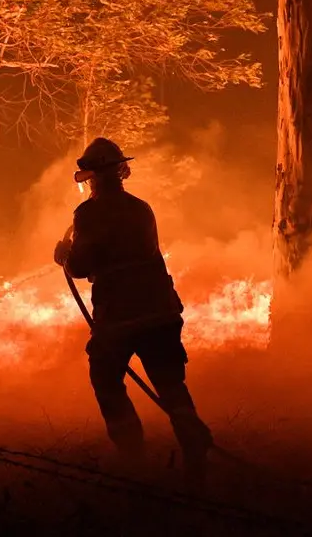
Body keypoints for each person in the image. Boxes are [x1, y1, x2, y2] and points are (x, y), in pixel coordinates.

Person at [53, 137, 213, 486]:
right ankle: (194, 451)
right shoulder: (142, 208)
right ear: (121, 172)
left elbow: (80, 267)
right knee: (170, 383)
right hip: (160, 312)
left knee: (106, 379)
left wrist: (63, 254)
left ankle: (133, 458)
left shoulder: (89, 213)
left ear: (93, 176)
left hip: (120, 317)